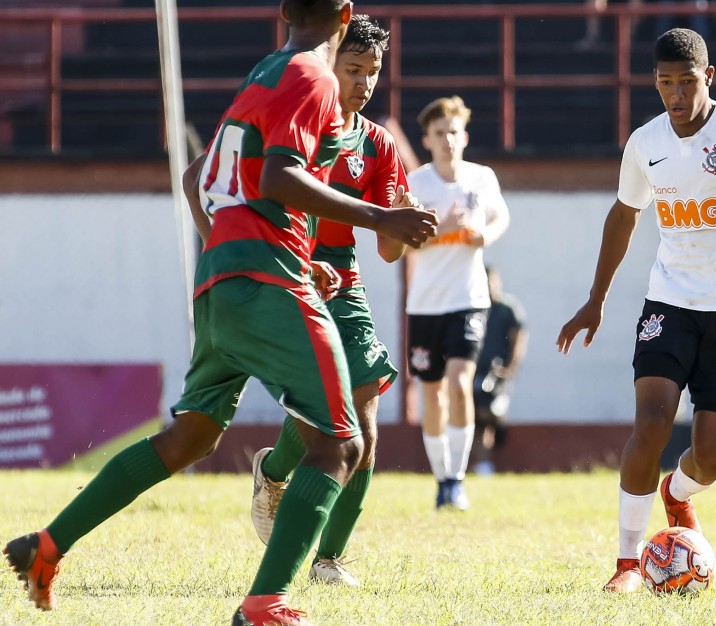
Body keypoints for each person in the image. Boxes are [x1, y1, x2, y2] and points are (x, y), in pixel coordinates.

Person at [2, 2, 437, 625]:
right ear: (343, 15)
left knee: (190, 437)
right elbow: (282, 176)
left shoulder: (264, 72)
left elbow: (212, 180)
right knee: (342, 443)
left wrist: (256, 245)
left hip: (224, 277)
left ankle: (44, 545)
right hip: (268, 277)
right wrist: (376, 218)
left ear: (285, 11)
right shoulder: (310, 76)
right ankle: (266, 605)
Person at [556, 28, 716, 593]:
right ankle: (627, 565)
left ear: (710, 77)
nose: (675, 94)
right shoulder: (644, 143)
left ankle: (676, 494)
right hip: (669, 303)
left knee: (712, 456)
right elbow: (624, 215)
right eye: (664, 82)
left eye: (686, 81)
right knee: (650, 423)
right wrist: (595, 299)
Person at [247, 14, 409, 589]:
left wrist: (409, 225)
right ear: (329, 63)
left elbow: (388, 248)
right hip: (285, 272)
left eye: (373, 72)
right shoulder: (295, 121)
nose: (363, 82)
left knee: (361, 425)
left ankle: (329, 560)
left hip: (342, 280)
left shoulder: (379, 145)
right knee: (323, 419)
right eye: (353, 68)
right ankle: (273, 470)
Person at [406, 95, 511, 510]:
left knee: (460, 383)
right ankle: (440, 477)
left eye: (453, 132)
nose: (448, 140)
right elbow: (405, 245)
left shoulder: (481, 178)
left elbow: (501, 216)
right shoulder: (416, 183)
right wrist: (442, 227)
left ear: (464, 136)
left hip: (468, 299)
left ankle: (456, 480)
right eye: (439, 133)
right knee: (431, 394)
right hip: (426, 304)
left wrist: (484, 234)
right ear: (427, 139)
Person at [471, 266, 527, 476]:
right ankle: (482, 464)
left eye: (491, 281)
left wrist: (511, 367)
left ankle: (500, 432)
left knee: (491, 413)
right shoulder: (474, 307)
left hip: (496, 374)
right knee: (476, 417)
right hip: (473, 372)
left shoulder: (507, 309)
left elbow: (518, 339)